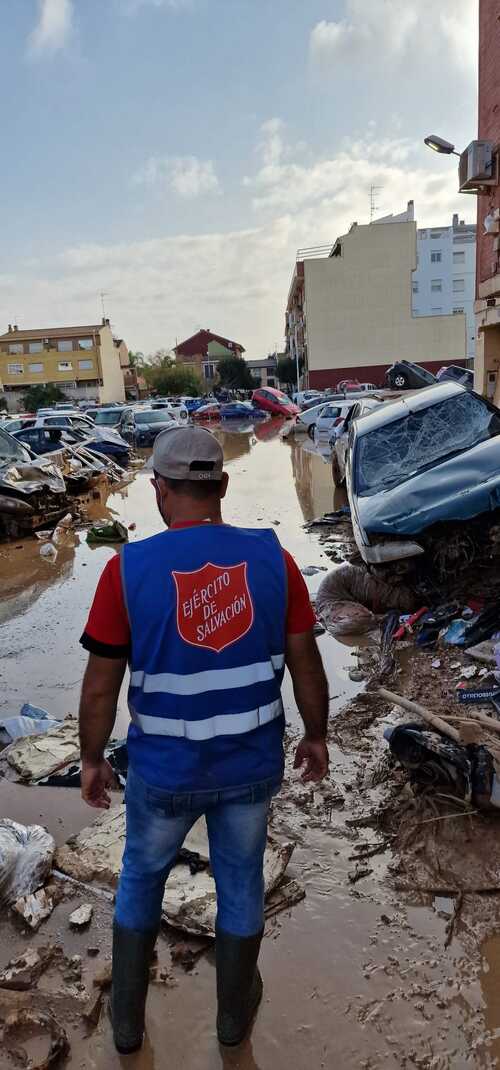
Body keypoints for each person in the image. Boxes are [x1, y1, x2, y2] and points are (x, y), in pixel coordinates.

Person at [79, 425, 329, 1055]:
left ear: (159, 490)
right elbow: (305, 661)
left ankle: (128, 1029)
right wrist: (316, 735)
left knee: (141, 878)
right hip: (249, 767)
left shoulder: (126, 570)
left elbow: (101, 686)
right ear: (222, 484)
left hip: (164, 774)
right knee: (240, 883)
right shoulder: (274, 560)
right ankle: (232, 1023)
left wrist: (91, 758)